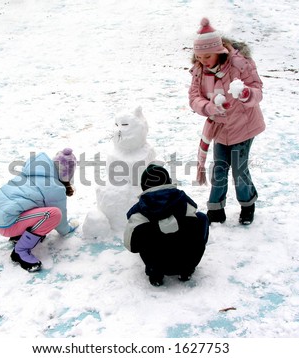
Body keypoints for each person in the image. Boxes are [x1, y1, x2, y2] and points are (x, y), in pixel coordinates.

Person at [189, 17, 265, 225]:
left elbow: (257, 89)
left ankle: (247, 204)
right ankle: (216, 209)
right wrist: (209, 107)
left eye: (207, 56)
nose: (203, 60)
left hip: (244, 124)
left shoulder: (239, 64)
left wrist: (246, 94)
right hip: (220, 127)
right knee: (220, 167)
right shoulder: (199, 69)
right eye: (199, 56)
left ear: (219, 50)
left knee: (239, 168)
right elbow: (194, 97)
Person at [0, 149, 78, 272]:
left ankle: (20, 235)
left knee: (36, 203)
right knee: (53, 214)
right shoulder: (54, 187)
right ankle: (20, 251)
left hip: (3, 218)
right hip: (8, 225)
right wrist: (68, 229)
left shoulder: (30, 175)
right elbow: (60, 222)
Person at [124, 164, 209, 286]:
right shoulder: (183, 200)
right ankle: (186, 270)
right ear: (168, 181)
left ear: (143, 186)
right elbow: (194, 225)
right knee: (201, 218)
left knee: (139, 231)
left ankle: (155, 275)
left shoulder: (138, 211)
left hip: (157, 264)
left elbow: (131, 246)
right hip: (186, 261)